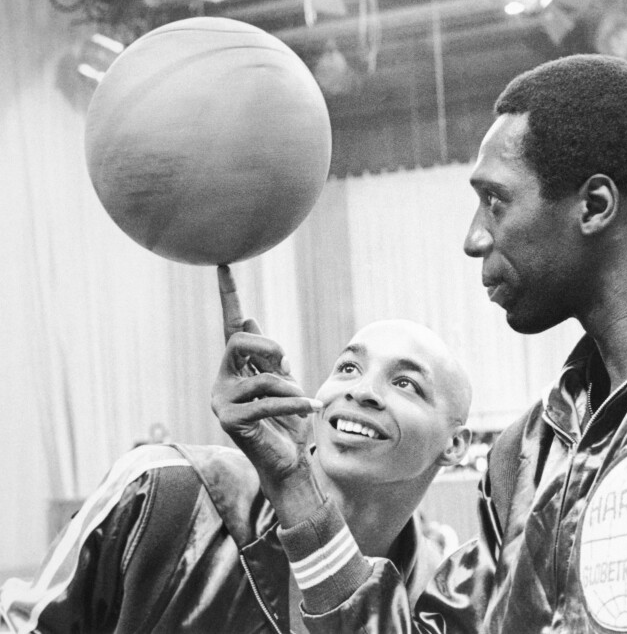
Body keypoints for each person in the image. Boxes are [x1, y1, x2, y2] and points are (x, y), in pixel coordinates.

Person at [231, 54, 627, 633]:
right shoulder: (522, 458)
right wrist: (296, 491)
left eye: (495, 202)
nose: (473, 239)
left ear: (594, 205)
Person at [0, 266, 472, 633]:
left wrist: (294, 486)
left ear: (455, 445)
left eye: (406, 383)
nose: (362, 392)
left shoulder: (442, 597)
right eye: (348, 368)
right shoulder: (160, 488)